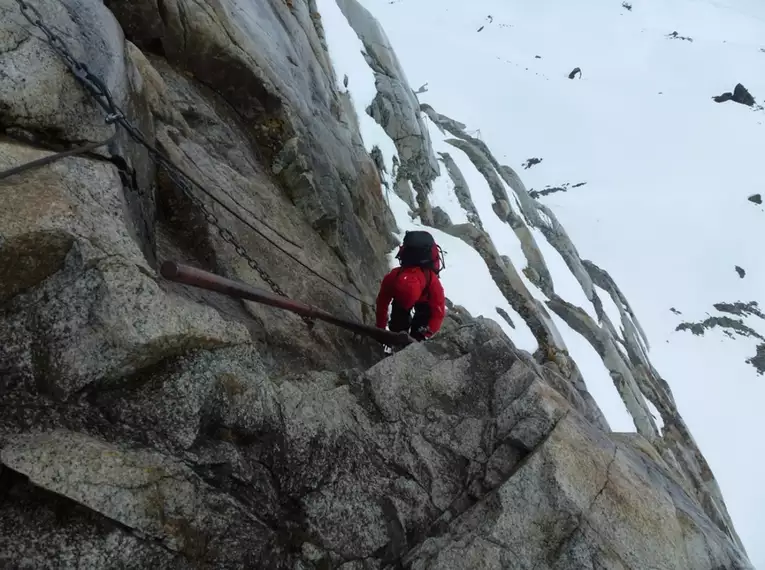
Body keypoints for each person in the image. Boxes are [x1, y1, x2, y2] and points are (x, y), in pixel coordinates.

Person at [375, 230, 446, 342]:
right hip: (418, 295)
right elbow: (382, 304)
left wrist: (427, 332)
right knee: (398, 323)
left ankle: (414, 340)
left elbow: (438, 312)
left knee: (420, 326)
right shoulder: (392, 278)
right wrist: (380, 329)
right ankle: (399, 339)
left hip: (424, 299)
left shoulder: (431, 281)